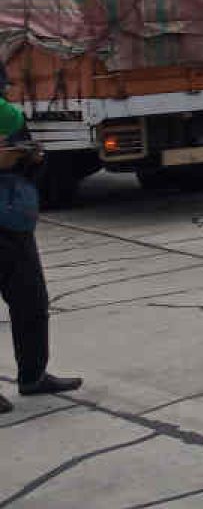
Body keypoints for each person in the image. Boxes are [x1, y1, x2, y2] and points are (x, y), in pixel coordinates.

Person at [0, 65, 82, 413]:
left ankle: (33, 375)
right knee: (29, 297)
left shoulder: (8, 115)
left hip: (10, 220)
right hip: (9, 218)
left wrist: (28, 157)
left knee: (31, 298)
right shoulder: (8, 115)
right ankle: (32, 375)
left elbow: (28, 160)